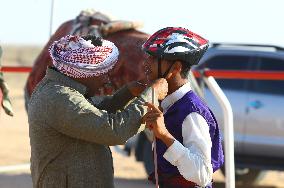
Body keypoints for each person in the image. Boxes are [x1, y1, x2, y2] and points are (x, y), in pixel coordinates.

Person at [27, 34, 168, 188]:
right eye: (102, 73)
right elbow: (114, 131)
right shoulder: (58, 97)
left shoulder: (60, 90)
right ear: (84, 72)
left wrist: (126, 94)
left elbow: (93, 108)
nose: (106, 80)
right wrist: (151, 94)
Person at [141, 27, 224, 188]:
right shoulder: (167, 105)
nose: (146, 63)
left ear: (176, 68)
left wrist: (164, 135)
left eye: (153, 58)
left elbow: (202, 175)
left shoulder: (191, 112)